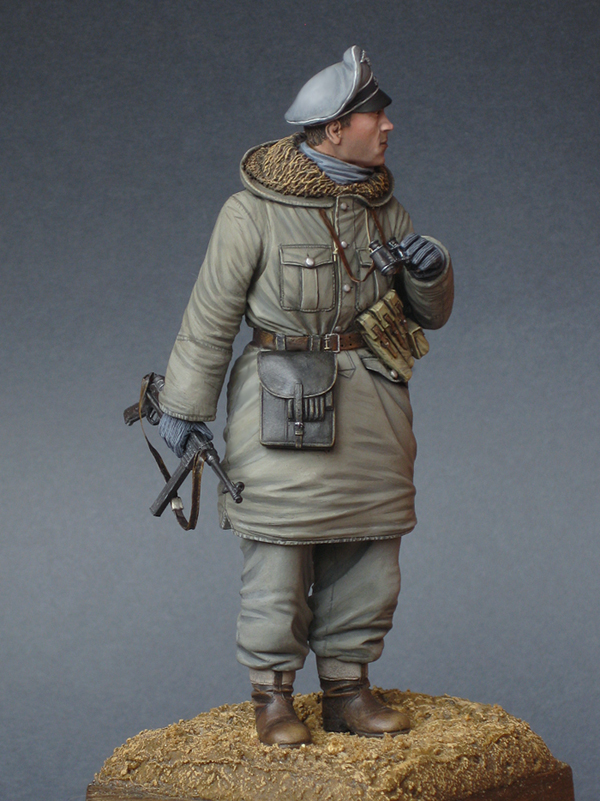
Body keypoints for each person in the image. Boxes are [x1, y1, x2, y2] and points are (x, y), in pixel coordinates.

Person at [157, 46, 454, 747]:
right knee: (279, 553)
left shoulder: (385, 211)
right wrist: (185, 408)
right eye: (375, 117)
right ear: (333, 129)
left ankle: (348, 690)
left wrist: (431, 269)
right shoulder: (251, 213)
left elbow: (430, 315)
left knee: (370, 550)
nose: (388, 127)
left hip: (374, 402)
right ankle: (273, 696)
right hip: (281, 403)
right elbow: (211, 315)